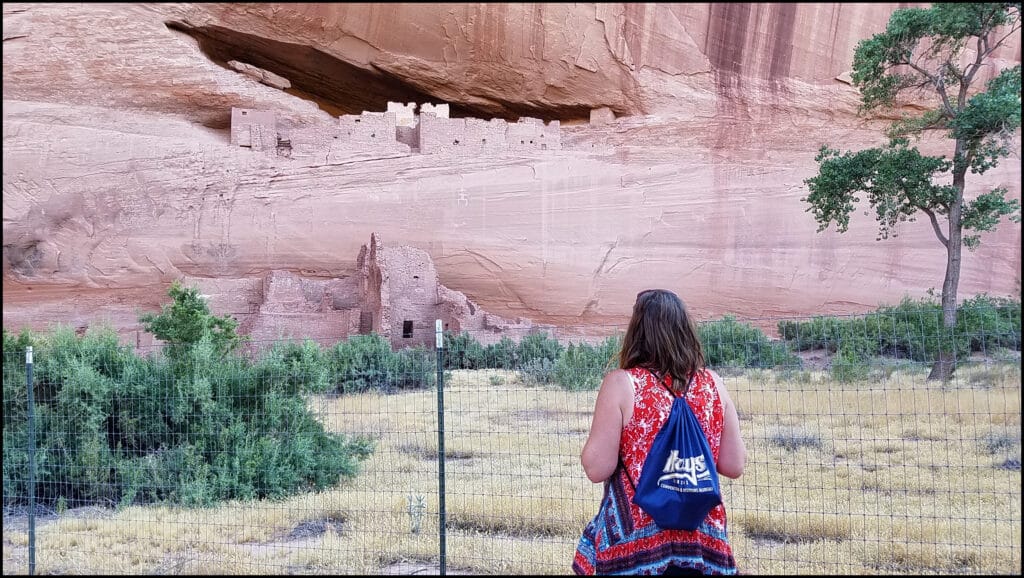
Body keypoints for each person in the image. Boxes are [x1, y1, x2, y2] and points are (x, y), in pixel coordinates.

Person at [573, 289, 746, 575]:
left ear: (636, 332)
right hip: (702, 542)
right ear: (685, 330)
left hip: (638, 543)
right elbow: (734, 464)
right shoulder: (713, 384)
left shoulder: (622, 384)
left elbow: (596, 468)